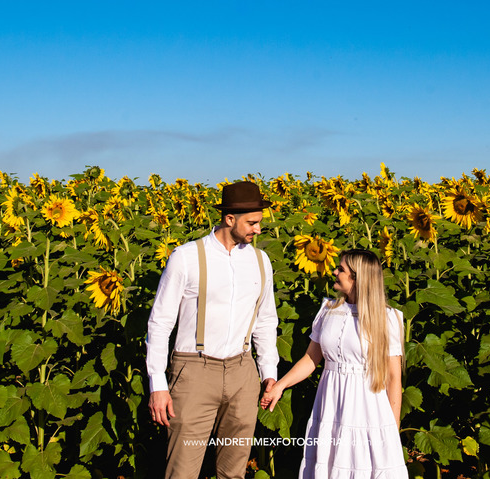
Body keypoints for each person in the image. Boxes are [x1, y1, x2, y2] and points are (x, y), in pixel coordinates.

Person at [146, 180, 280, 479]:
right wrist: (158, 384)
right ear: (229, 219)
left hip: (243, 372)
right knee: (182, 470)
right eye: (252, 223)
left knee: (234, 471)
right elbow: (160, 322)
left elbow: (266, 320)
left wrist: (268, 370)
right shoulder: (186, 257)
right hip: (194, 372)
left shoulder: (261, 261)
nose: (258, 230)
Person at [261, 249, 407, 478]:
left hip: (368, 406)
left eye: (341, 269)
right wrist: (280, 386)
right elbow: (311, 359)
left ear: (357, 277)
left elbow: (393, 377)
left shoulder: (387, 317)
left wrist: (392, 428)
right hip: (330, 401)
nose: (335, 271)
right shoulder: (329, 310)